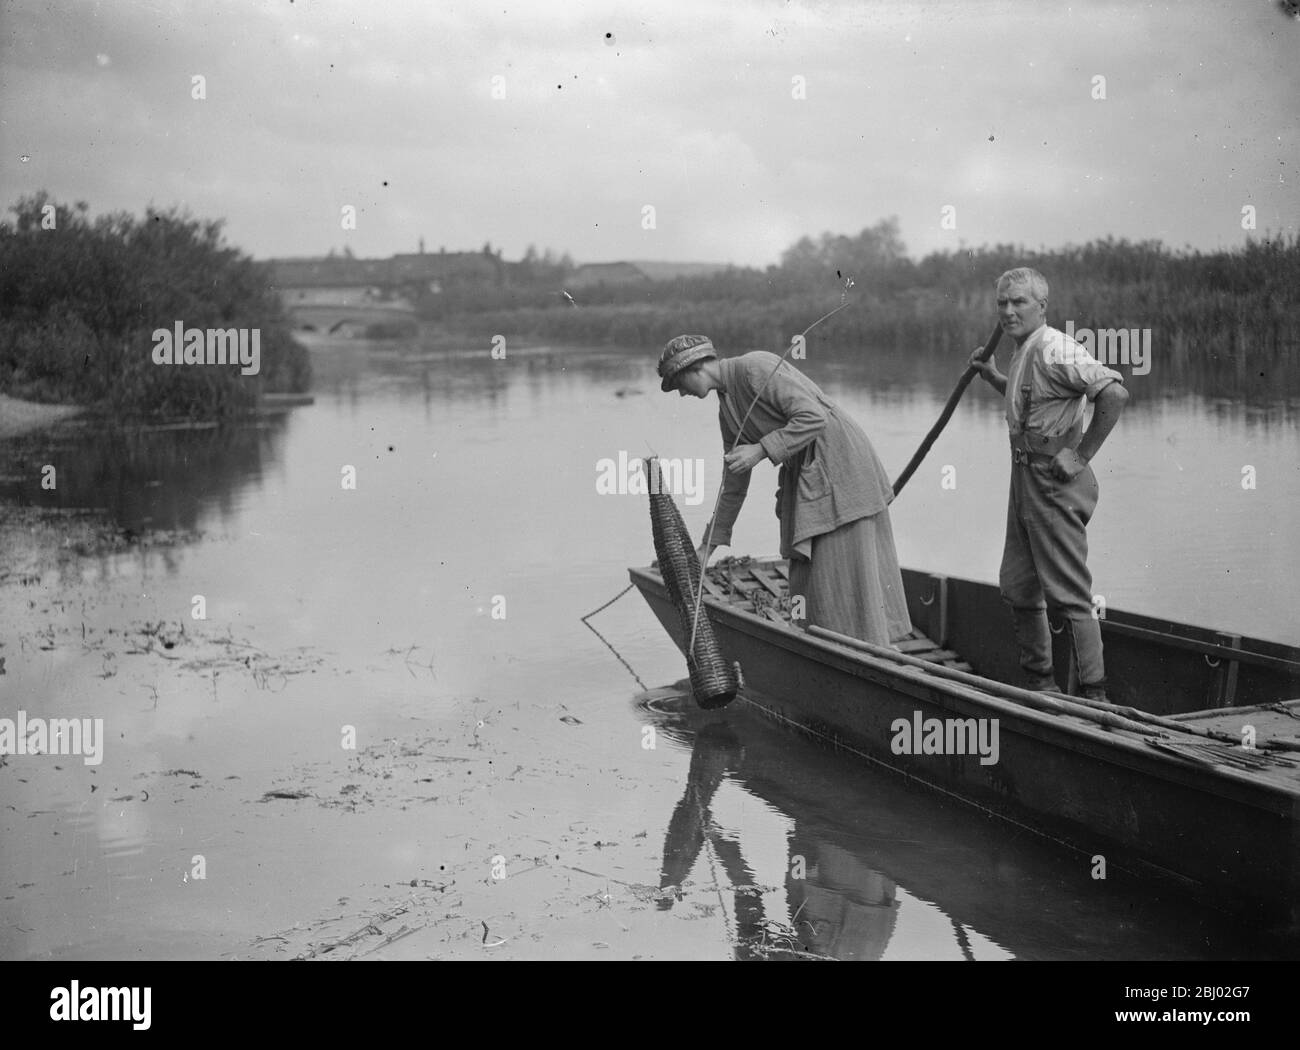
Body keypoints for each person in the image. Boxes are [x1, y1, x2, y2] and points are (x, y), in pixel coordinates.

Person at [657, 333, 911, 647]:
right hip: (808, 475)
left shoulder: (756, 368)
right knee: (809, 577)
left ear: (693, 368)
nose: (681, 394)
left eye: (678, 384)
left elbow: (813, 416)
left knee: (843, 567)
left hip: (840, 465)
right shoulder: (727, 412)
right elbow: (733, 485)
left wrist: (761, 450)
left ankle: (873, 649)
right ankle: (835, 647)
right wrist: (706, 548)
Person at [967, 268, 1129, 701]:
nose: (1007, 310)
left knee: (1069, 595)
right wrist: (992, 376)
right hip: (1024, 479)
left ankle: (1095, 698)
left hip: (1053, 482)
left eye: (1019, 302)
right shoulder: (1026, 347)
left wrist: (1080, 455)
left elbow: (1113, 393)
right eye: (1002, 302)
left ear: (1042, 306)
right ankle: (1041, 688)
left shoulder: (1056, 347)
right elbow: (1031, 402)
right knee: (1020, 585)